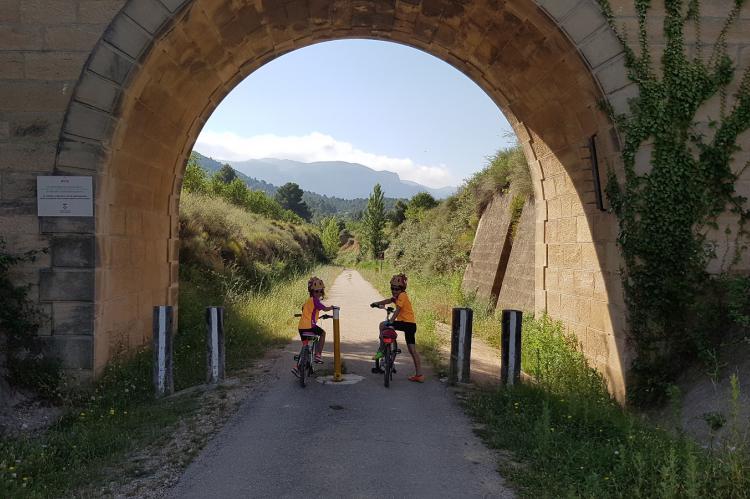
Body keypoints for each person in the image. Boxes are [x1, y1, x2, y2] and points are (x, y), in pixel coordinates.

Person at [370, 273, 423, 383]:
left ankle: (381, 350)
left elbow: (398, 309)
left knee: (382, 325)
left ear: (402, 288)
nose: (394, 290)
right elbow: (388, 301)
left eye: (397, 288)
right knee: (412, 350)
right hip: (411, 325)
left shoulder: (402, 295)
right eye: (392, 288)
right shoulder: (398, 296)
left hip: (406, 323)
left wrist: (391, 321)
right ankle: (419, 375)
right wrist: (376, 303)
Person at [293, 276, 336, 377]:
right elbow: (325, 309)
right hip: (310, 326)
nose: (319, 293)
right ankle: (318, 355)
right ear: (312, 292)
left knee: (305, 345)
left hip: (301, 327)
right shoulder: (316, 301)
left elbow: (304, 309)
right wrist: (333, 308)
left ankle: (297, 367)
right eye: (316, 292)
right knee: (322, 333)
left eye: (320, 291)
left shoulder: (308, 301)